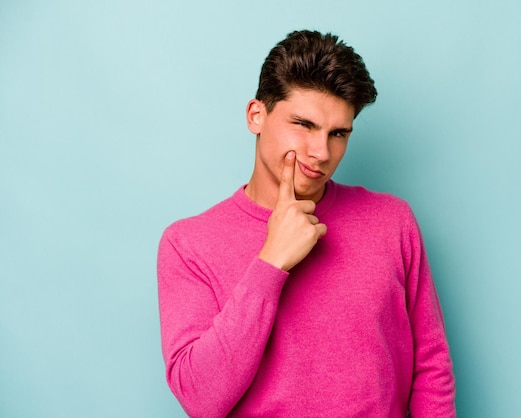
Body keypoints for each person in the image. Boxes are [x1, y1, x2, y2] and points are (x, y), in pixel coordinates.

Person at [157, 30, 455, 417]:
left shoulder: (391, 221)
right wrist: (271, 262)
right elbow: (200, 398)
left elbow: (430, 364)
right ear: (256, 116)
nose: (321, 153)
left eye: (338, 133)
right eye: (303, 124)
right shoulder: (188, 244)